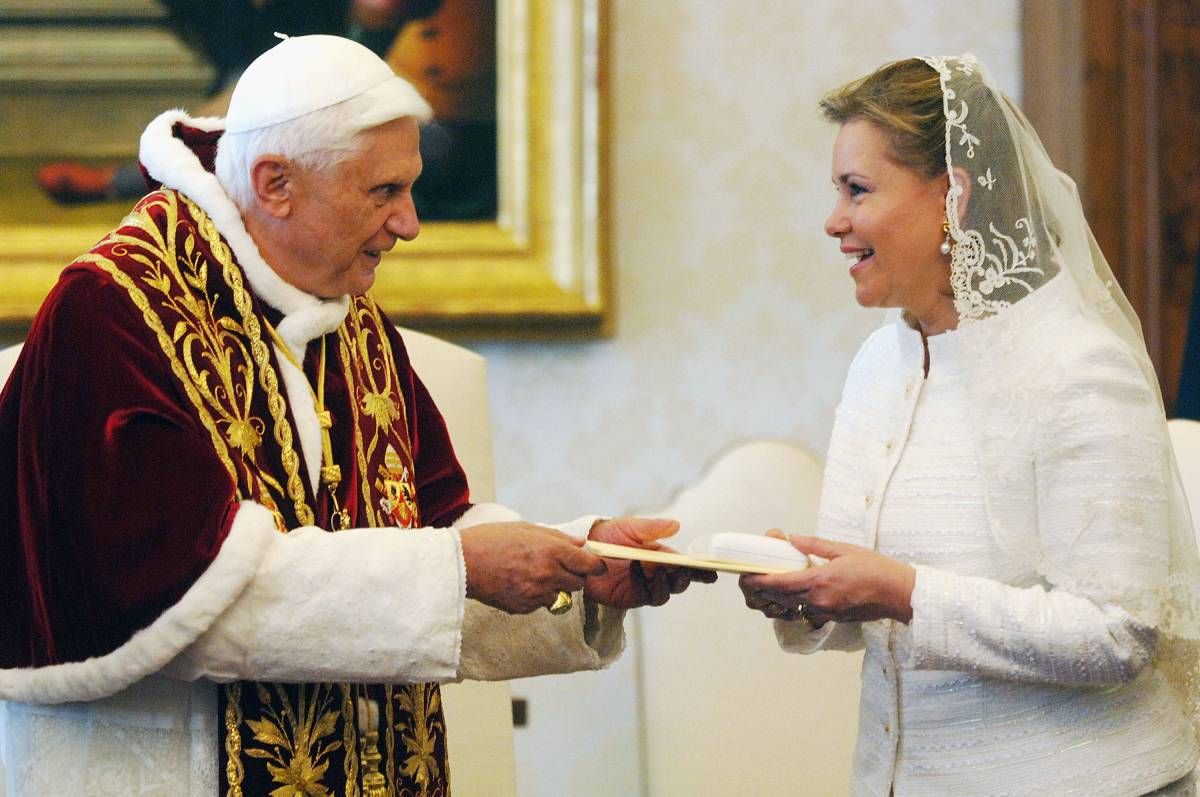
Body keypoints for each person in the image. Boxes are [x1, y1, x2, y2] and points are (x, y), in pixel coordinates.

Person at [0, 34, 712, 796]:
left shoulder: (348, 317)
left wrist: (582, 561)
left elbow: (438, 529)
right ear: (276, 184)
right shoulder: (113, 314)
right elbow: (194, 601)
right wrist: (465, 567)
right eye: (384, 191)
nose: (410, 223)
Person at [739, 54, 1200, 795]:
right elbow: (864, 599)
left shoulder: (1077, 365)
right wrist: (803, 591)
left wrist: (902, 591)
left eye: (858, 189)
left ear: (953, 194)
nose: (834, 221)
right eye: (837, 191)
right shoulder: (877, 365)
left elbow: (1118, 632)